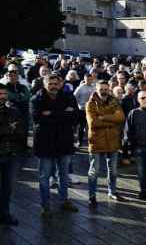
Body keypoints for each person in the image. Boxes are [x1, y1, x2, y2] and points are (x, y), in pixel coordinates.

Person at [31, 74, 80, 218]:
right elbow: (37, 119)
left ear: (59, 84)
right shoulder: (36, 99)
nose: (53, 86)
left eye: (55, 83)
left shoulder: (68, 97)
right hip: (45, 144)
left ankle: (64, 200)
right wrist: (63, 114)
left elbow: (75, 117)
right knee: (44, 177)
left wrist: (51, 114)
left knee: (64, 175)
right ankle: (45, 206)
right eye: (50, 83)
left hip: (64, 142)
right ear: (44, 84)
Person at [86, 80, 126, 208]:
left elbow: (121, 118)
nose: (103, 91)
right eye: (101, 89)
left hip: (113, 140)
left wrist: (102, 117)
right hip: (97, 141)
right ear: (96, 89)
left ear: (109, 89)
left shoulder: (115, 102)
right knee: (94, 171)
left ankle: (112, 191)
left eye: (105, 89)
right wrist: (111, 119)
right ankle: (92, 196)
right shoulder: (90, 104)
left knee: (113, 170)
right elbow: (93, 123)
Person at [0, 83, 27, 226]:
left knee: (7, 187)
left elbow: (21, 131)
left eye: (4, 94)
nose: (2, 97)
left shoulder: (13, 111)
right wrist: (8, 128)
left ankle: (5, 214)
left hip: (10, 154)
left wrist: (10, 130)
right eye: (0, 94)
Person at [74, 72, 97, 147]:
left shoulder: (94, 87)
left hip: (92, 109)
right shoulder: (80, 87)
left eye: (90, 79)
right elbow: (74, 98)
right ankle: (79, 142)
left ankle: (91, 140)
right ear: (84, 79)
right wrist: (77, 106)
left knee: (91, 125)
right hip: (82, 109)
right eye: (87, 79)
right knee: (82, 126)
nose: (89, 81)